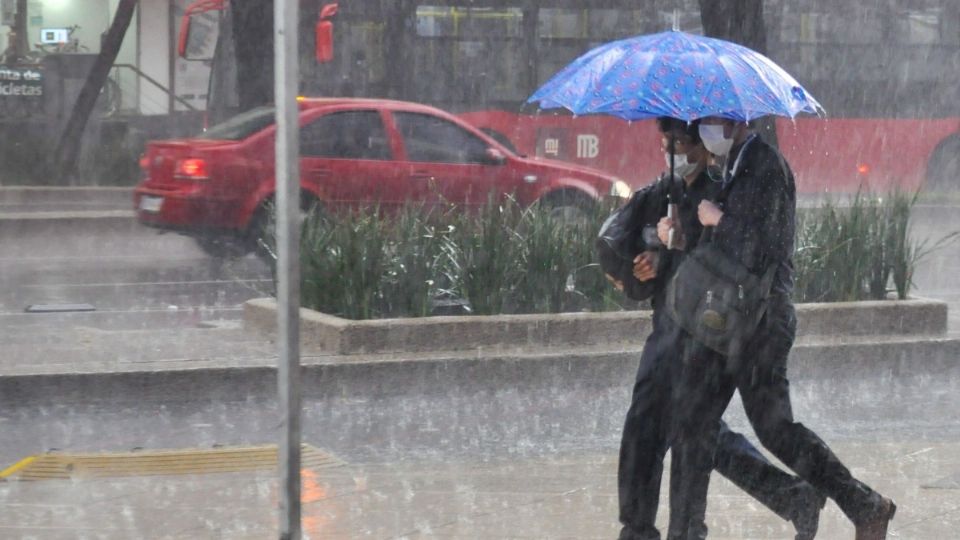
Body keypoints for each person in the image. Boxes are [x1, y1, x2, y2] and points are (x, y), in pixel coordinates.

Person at [665, 117, 897, 540]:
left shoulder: (765, 165)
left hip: (761, 323)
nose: (704, 131)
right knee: (692, 424)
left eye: (713, 122)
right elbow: (724, 253)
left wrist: (719, 219)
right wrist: (685, 235)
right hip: (728, 323)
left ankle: (864, 505)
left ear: (736, 122)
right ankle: (686, 531)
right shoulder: (732, 165)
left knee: (775, 430)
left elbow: (762, 245)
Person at [607, 117, 824, 540]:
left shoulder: (726, 184)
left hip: (705, 324)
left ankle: (693, 525)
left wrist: (676, 247)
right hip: (668, 322)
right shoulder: (665, 188)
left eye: (682, 142)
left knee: (696, 431)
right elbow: (629, 231)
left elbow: (726, 257)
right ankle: (640, 527)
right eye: (667, 141)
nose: (676, 151)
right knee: (653, 422)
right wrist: (652, 246)